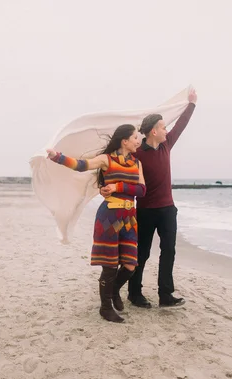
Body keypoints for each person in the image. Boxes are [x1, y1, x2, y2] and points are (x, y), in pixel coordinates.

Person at [101, 88, 197, 308]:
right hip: (144, 211)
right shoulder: (136, 153)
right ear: (153, 131)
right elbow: (113, 164)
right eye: (163, 127)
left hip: (167, 210)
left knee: (169, 251)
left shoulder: (166, 144)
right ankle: (135, 294)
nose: (166, 130)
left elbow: (181, 124)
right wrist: (105, 187)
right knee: (141, 254)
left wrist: (191, 104)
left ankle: (165, 295)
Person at [46, 124, 145, 323]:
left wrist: (117, 185)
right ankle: (105, 308)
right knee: (109, 266)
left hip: (129, 219)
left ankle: (114, 289)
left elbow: (142, 190)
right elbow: (82, 165)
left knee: (130, 265)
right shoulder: (106, 160)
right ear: (124, 141)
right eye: (135, 137)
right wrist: (58, 157)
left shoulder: (137, 163)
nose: (138, 140)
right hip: (109, 217)